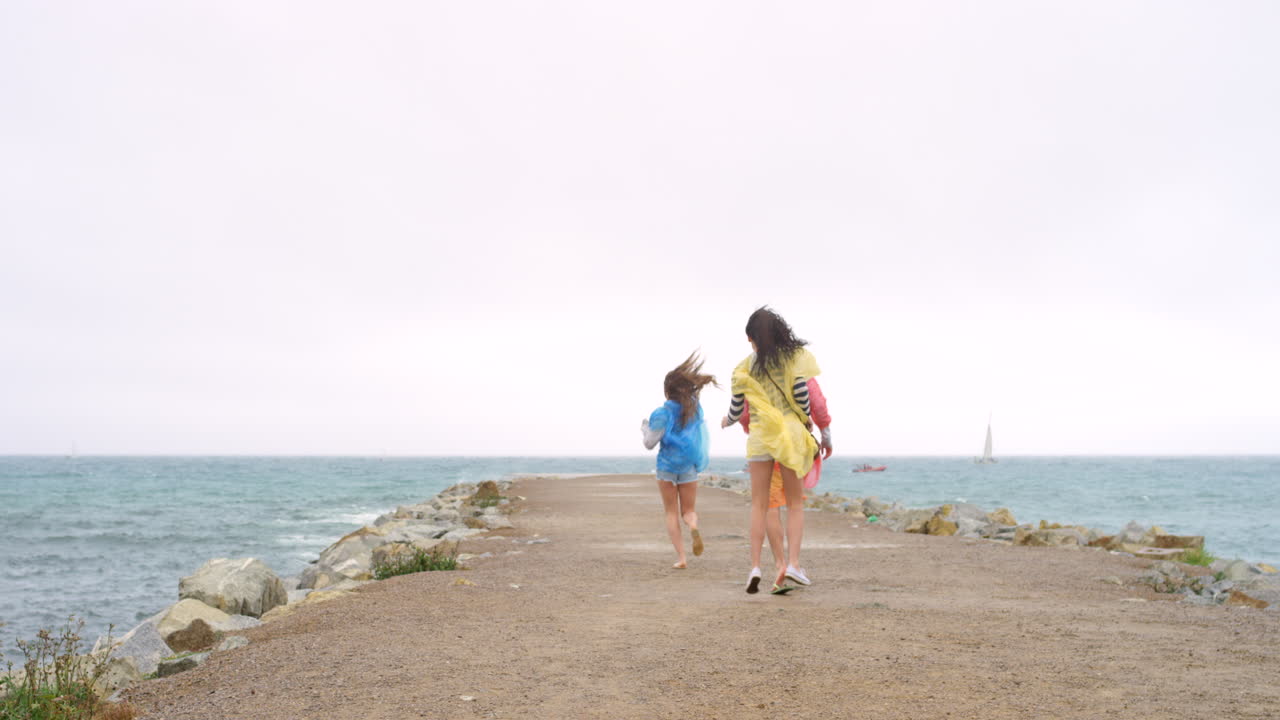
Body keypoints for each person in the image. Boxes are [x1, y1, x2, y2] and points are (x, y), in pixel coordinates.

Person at [721, 306, 823, 594]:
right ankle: (792, 564)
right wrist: (805, 421)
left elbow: (736, 409)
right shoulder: (793, 360)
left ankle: (755, 567)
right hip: (788, 435)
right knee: (794, 504)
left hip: (760, 435)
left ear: (751, 338)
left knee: (759, 504)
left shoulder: (743, 368)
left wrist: (726, 421)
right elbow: (802, 399)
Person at [738, 376, 832, 587]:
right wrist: (825, 433)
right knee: (794, 504)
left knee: (769, 506)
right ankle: (793, 564)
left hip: (764, 439)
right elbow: (817, 403)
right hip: (792, 439)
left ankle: (780, 564)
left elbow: (743, 412)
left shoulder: (751, 369)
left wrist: (751, 427)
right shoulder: (798, 366)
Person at [642, 352, 717, 569]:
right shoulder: (693, 409)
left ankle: (682, 558)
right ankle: (693, 525)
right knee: (688, 511)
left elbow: (649, 443)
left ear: (667, 391)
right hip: (688, 466)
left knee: (671, 512)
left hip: (666, 467)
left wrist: (646, 428)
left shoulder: (661, 413)